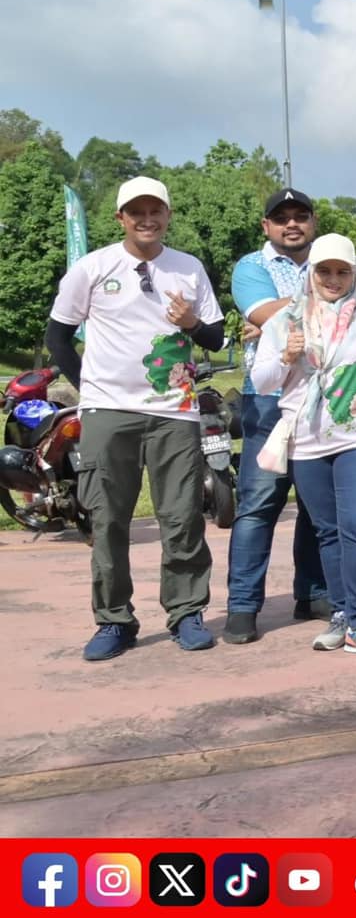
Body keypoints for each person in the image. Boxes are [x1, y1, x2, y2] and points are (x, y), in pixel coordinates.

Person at [48, 177, 227, 661]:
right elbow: (59, 338)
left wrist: (189, 321)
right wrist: (92, 387)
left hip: (174, 412)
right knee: (107, 518)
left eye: (156, 211)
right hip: (110, 412)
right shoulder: (93, 267)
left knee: (183, 514)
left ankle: (187, 612)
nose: (147, 219)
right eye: (136, 212)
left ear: (167, 215)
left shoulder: (188, 269)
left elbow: (215, 338)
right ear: (120, 217)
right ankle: (113, 620)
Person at [248, 234, 356, 658]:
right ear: (312, 274)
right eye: (325, 271)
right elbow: (261, 382)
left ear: (354, 274)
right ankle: (342, 612)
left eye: (342, 271)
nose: (333, 279)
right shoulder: (285, 321)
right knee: (328, 532)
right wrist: (285, 356)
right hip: (307, 440)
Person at [223, 187, 329, 643]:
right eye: (281, 217)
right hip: (267, 396)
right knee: (260, 503)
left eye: (300, 216)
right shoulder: (252, 266)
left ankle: (314, 593)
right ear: (266, 226)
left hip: (324, 394)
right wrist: (326, 307)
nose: (291, 224)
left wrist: (282, 315)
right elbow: (262, 312)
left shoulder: (329, 260)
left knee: (315, 503)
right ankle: (243, 604)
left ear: (313, 222)